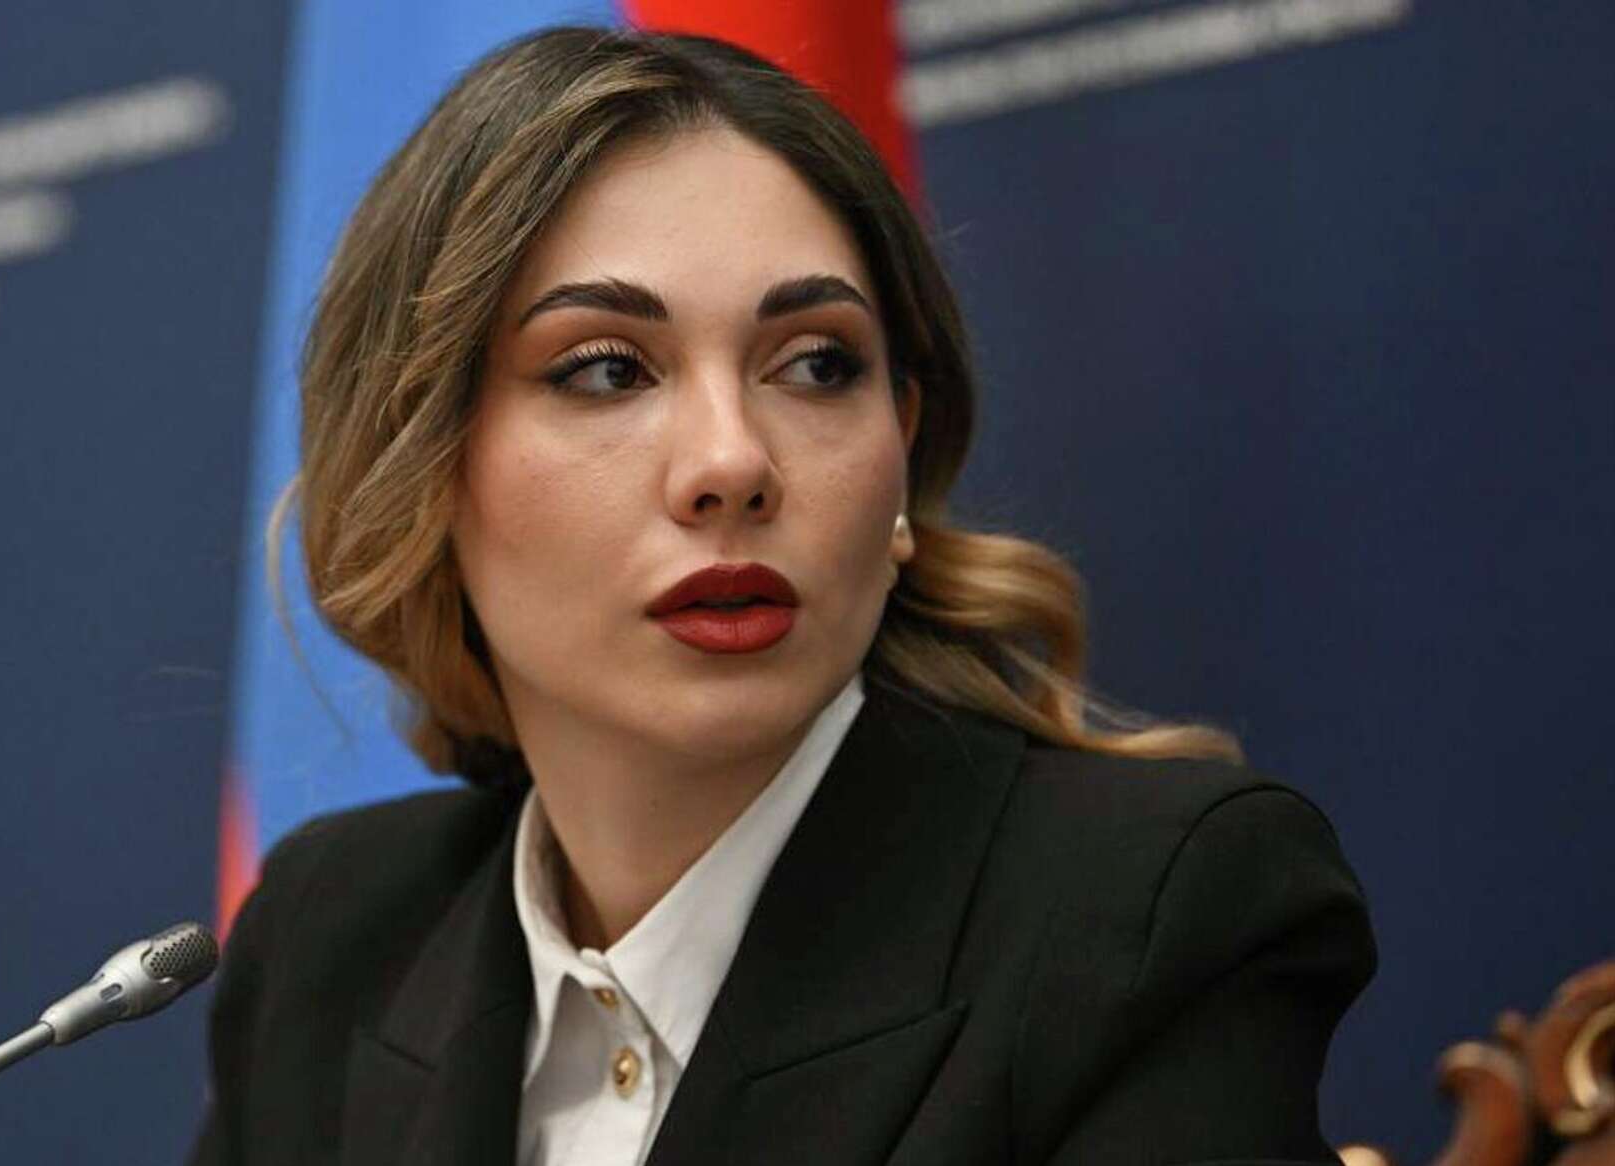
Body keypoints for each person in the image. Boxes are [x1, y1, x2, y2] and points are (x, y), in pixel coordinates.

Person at [189, 25, 1374, 1166]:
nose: (731, 461)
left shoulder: (1140, 915)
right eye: (606, 370)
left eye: (814, 364)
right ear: (422, 465)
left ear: (901, 444)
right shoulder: (329, 940)